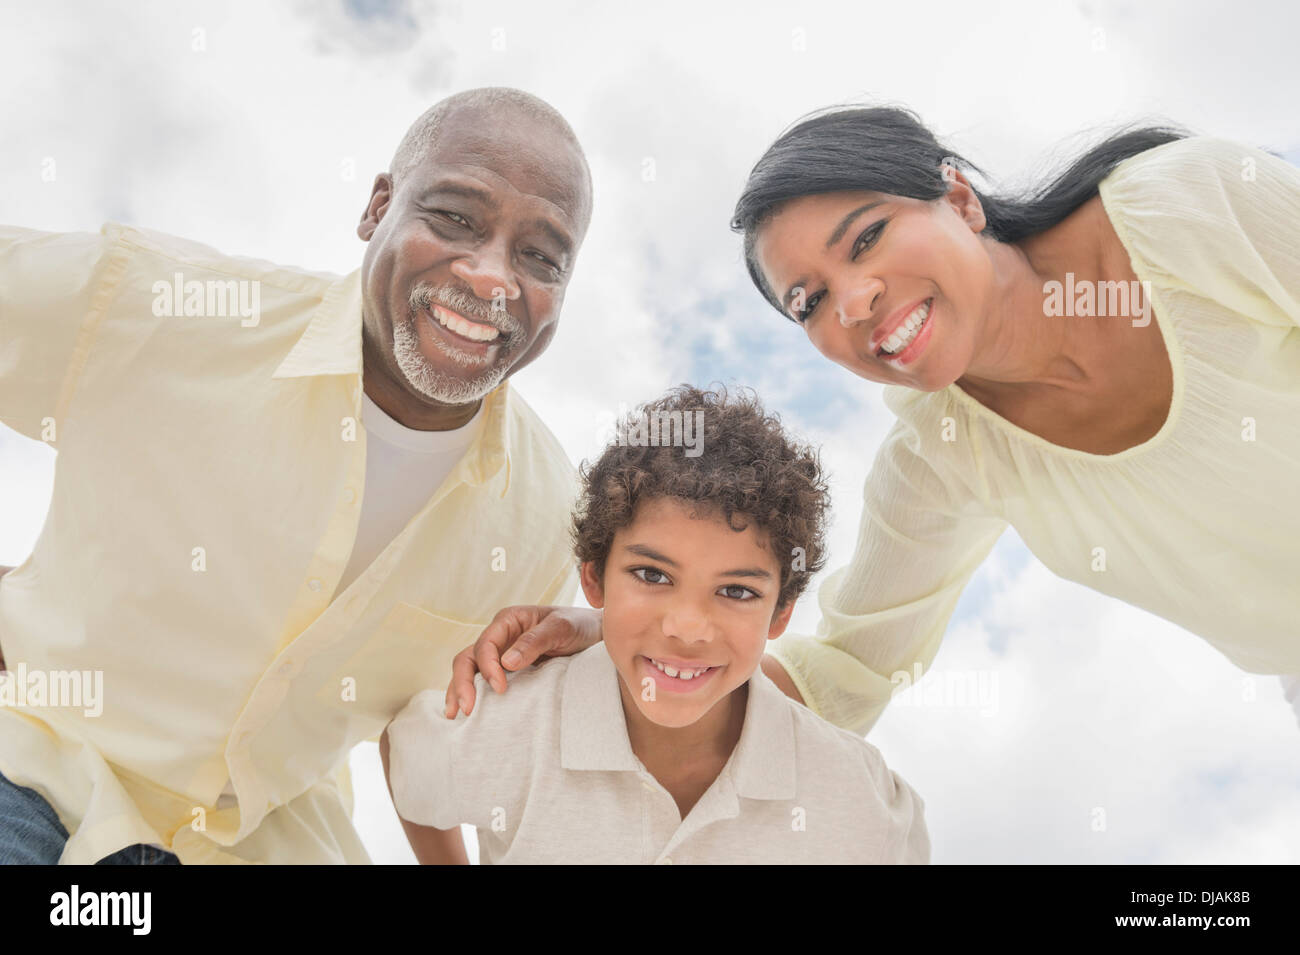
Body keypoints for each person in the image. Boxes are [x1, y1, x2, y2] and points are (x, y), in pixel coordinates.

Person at [444, 106, 1300, 749]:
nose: (854, 304)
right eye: (808, 302)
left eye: (868, 239)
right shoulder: (942, 455)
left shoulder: (1188, 206)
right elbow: (846, 673)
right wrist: (622, 628)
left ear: (959, 198)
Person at [0, 87, 595, 864]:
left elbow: (453, 732)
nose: (491, 277)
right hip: (35, 764)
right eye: (454, 217)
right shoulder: (158, 307)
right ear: (377, 208)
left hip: (265, 840)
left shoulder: (550, 522)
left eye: (540, 256)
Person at [381, 385, 929, 864]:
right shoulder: (506, 728)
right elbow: (409, 763)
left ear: (780, 613)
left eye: (736, 591)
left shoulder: (858, 798)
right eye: (652, 574)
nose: (689, 627)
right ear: (594, 581)